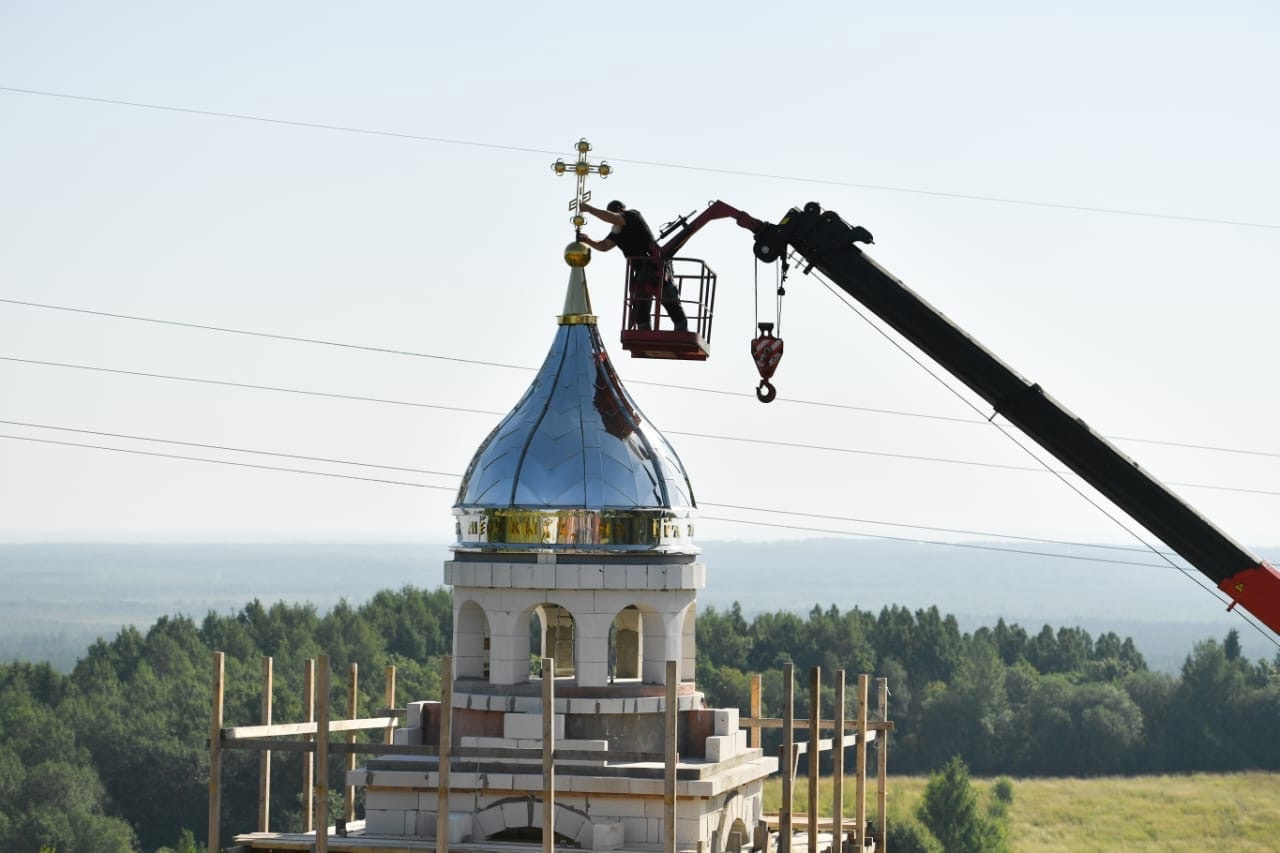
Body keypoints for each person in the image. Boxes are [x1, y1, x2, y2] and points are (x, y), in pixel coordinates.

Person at [580, 200, 688, 332]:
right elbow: (604, 246)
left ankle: (681, 329)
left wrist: (589, 209)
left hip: (655, 267)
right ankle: (645, 332)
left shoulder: (632, 216)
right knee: (640, 308)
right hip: (642, 272)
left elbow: (614, 218)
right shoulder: (617, 231)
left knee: (670, 301)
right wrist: (587, 240)